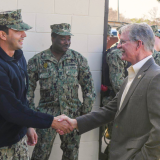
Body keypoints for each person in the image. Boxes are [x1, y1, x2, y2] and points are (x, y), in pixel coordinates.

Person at [59, 23, 160, 160]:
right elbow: (110, 110)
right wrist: (75, 123)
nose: (118, 46)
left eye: (123, 42)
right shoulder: (131, 75)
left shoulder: (155, 77)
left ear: (138, 44)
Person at [0, 9, 73, 160]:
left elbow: (23, 96)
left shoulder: (18, 57)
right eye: (18, 30)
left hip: (18, 139)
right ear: (3, 35)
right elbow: (11, 108)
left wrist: (28, 126)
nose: (24, 34)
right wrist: (51, 121)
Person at [27, 23, 96, 160]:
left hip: (72, 115)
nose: (67, 42)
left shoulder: (78, 59)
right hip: (46, 116)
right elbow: (27, 91)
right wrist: (32, 116)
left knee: (71, 153)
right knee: (40, 153)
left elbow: (89, 89)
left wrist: (82, 116)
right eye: (63, 39)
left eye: (69, 38)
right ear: (53, 38)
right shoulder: (38, 60)